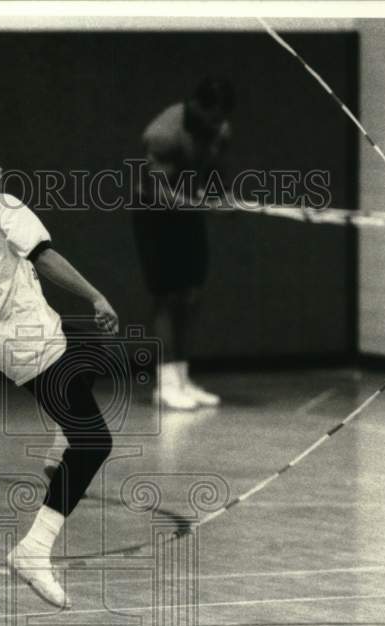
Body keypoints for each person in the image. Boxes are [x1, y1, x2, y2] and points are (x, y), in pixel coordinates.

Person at [0, 123, 118, 609]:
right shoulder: (4, 207)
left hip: (0, 348)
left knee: (92, 354)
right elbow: (45, 257)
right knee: (95, 443)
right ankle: (34, 549)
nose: (0, 168)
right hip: (34, 341)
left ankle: (58, 445)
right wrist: (95, 295)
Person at [133, 77, 233, 410]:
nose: (219, 125)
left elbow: (213, 176)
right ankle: (164, 384)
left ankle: (182, 378)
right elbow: (158, 192)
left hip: (187, 211)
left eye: (222, 119)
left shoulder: (219, 131)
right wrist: (198, 204)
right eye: (214, 117)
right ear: (198, 107)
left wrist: (221, 198)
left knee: (191, 296)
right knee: (167, 297)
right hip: (154, 214)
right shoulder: (163, 134)